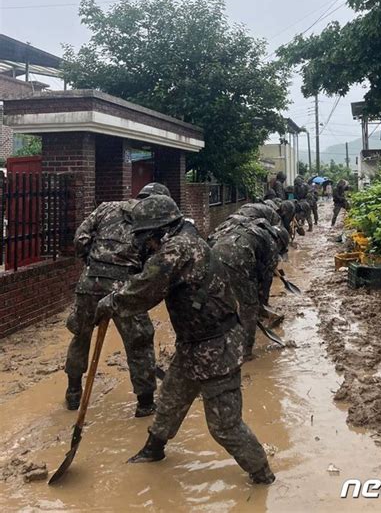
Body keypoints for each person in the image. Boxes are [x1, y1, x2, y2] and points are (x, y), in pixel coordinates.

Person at [94, 195, 275, 485]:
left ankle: (262, 473)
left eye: (145, 238)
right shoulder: (187, 238)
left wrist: (110, 302)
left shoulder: (176, 251)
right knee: (170, 399)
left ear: (159, 231)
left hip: (217, 348)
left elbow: (143, 290)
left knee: (224, 425)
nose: (144, 245)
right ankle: (154, 450)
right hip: (193, 344)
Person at [64, 182, 170, 417]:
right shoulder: (154, 221)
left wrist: (94, 264)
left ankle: (73, 392)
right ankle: (145, 403)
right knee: (140, 342)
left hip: (89, 283)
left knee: (81, 335)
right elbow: (155, 261)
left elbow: (80, 239)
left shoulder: (106, 208)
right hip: (126, 289)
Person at [209, 216, 289, 360]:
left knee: (220, 300)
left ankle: (214, 341)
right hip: (236, 261)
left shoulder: (252, 229)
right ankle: (245, 352)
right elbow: (265, 279)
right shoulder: (271, 243)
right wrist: (258, 303)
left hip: (212, 254)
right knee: (249, 307)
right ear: (280, 242)